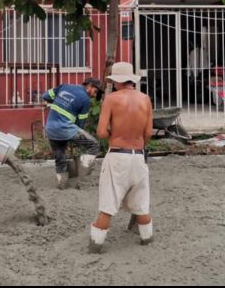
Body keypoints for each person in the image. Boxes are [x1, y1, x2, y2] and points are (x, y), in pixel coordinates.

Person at [88, 62, 154, 253]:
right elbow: (148, 132)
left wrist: (113, 134)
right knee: (141, 206)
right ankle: (147, 240)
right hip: (138, 157)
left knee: (107, 207)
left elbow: (100, 132)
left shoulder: (111, 99)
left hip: (117, 156)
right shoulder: (145, 99)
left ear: (116, 82)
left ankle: (95, 246)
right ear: (131, 80)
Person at [42, 77, 103, 190]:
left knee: (60, 157)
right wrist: (73, 140)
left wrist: (57, 101)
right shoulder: (85, 100)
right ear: (89, 86)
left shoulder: (64, 86)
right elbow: (80, 124)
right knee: (94, 145)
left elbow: (45, 96)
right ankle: (82, 179)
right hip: (66, 129)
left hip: (50, 128)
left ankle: (62, 184)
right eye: (95, 92)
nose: (94, 96)